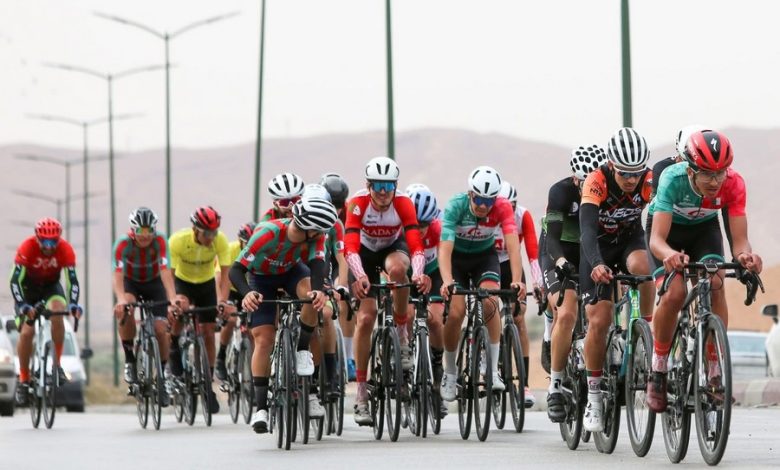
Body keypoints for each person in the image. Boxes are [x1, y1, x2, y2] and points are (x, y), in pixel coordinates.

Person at [645, 130, 762, 412]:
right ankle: (658, 368)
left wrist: (745, 257)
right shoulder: (671, 179)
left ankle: (714, 370)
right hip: (668, 234)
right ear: (690, 170)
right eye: (707, 174)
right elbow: (656, 240)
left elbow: (739, 241)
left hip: (703, 232)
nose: (715, 181)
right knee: (674, 293)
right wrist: (670, 254)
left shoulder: (733, 184)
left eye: (720, 173)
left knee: (716, 282)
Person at [228, 198, 339, 433]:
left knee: (312, 296)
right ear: (309, 228)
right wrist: (247, 294)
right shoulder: (267, 233)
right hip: (261, 279)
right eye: (319, 229)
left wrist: (318, 291)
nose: (322, 233)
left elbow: (317, 266)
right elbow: (236, 270)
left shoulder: (316, 237)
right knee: (264, 339)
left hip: (291, 272)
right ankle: (261, 409)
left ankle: (302, 350)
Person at [579, 128, 655, 432]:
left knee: (644, 267)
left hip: (629, 240)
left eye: (636, 173)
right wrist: (596, 263)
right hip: (597, 247)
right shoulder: (596, 181)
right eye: (624, 173)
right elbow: (586, 230)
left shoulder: (648, 181)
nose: (631, 179)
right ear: (611, 165)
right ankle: (594, 396)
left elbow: (662, 217)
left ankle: (646, 331)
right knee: (600, 319)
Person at [345, 156, 429, 426]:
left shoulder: (403, 203)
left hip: (392, 249)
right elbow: (350, 247)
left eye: (389, 186)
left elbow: (416, 246)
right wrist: (360, 276)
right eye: (378, 186)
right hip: (363, 255)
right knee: (366, 318)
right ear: (368, 185)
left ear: (395, 186)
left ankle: (402, 337)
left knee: (399, 271)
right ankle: (361, 394)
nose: (383, 192)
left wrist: (418, 274)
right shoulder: (357, 204)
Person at [438, 166, 527, 402]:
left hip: (484, 258)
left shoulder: (502, 207)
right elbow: (444, 249)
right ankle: (450, 372)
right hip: (456, 260)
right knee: (456, 312)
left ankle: (492, 370)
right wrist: (447, 281)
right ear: (470, 194)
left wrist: (516, 280)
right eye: (478, 199)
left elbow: (513, 248)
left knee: (490, 303)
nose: (483, 206)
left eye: (489, 201)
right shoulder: (456, 205)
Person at [542, 144, 607, 422]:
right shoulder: (560, 192)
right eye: (582, 181)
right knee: (567, 313)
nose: (587, 187)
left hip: (589, 251)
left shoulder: (605, 188)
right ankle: (555, 386)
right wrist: (560, 262)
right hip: (558, 251)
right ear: (574, 177)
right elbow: (552, 239)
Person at [10, 218, 82, 404]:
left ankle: (57, 366)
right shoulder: (27, 247)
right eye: (45, 242)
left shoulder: (65, 249)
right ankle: (24, 379)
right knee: (27, 333)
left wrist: (74, 304)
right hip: (27, 291)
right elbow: (15, 281)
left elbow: (72, 280)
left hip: (51, 288)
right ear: (37, 238)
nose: (49, 247)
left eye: (53, 242)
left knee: (58, 312)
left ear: (58, 239)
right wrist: (23, 305)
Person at [168, 205, 231, 413]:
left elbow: (226, 274)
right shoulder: (178, 241)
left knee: (208, 332)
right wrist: (174, 299)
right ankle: (174, 344)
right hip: (183, 282)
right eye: (207, 234)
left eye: (214, 233)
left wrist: (223, 300)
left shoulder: (220, 241)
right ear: (195, 229)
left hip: (205, 284)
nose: (211, 238)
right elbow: (169, 273)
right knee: (181, 309)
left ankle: (207, 382)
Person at [112, 207, 178, 388]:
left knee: (161, 329)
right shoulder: (123, 244)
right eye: (141, 230)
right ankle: (130, 360)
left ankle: (163, 371)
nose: (145, 235)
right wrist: (121, 299)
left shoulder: (160, 241)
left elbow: (165, 270)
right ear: (133, 230)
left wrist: (172, 298)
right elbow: (117, 274)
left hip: (154, 283)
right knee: (126, 309)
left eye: (149, 230)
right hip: (131, 283)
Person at [495, 180, 542, 408]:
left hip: (510, 265)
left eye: (512, 205)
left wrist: (539, 283)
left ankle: (524, 385)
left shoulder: (522, 215)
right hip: (487, 263)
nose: (508, 210)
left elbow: (532, 253)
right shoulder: (487, 216)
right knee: (487, 309)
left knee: (519, 315)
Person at [406, 184, 448, 417]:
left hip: (432, 273)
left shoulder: (438, 228)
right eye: (416, 225)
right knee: (406, 314)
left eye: (424, 225)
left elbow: (445, 259)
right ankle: (402, 353)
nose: (420, 230)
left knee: (435, 319)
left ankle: (437, 365)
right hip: (407, 275)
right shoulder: (400, 229)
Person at [321, 172, 357, 381]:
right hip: (322, 258)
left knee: (345, 302)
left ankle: (348, 357)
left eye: (339, 205)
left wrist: (342, 286)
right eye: (331, 204)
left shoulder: (349, 212)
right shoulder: (313, 209)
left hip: (341, 257)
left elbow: (344, 256)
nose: (336, 210)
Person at [214, 222, 256, 381]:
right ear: (240, 241)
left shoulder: (261, 250)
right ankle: (221, 356)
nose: (250, 247)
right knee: (231, 319)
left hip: (249, 291)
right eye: (246, 243)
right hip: (231, 289)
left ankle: (253, 369)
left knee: (253, 329)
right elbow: (219, 276)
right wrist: (222, 301)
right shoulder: (231, 249)